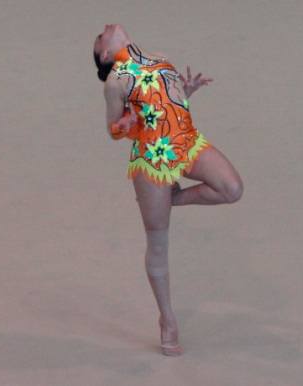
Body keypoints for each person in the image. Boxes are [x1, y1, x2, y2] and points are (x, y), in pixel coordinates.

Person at [93, 24, 244, 356]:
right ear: (105, 53)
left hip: (186, 142)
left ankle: (174, 199)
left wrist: (186, 93)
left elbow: (165, 105)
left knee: (232, 188)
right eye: (101, 36)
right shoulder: (116, 81)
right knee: (158, 244)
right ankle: (167, 319)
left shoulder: (159, 57)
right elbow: (113, 130)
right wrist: (123, 126)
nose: (106, 29)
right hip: (153, 158)